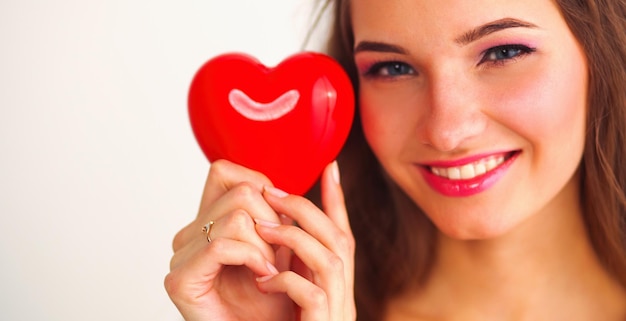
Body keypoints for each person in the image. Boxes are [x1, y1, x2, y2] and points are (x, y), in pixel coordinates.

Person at [165, 0, 626, 320]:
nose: (445, 132)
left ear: (600, 53)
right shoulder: (300, 310)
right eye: (393, 68)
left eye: (504, 52)